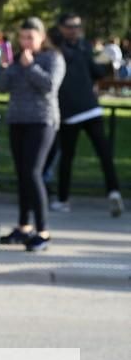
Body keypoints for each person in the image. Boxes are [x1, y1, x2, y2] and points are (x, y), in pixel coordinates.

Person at [0, 17, 66, 252]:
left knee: (33, 172)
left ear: (41, 37)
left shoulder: (53, 58)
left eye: (30, 37)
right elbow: (1, 86)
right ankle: (23, 226)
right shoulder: (16, 59)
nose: (25, 42)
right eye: (22, 37)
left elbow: (49, 86)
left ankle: (43, 231)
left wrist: (31, 67)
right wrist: (4, 67)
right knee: (22, 174)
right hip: (18, 120)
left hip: (42, 121)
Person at [49, 14, 123, 217]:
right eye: (70, 26)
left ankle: (113, 192)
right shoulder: (58, 49)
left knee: (104, 154)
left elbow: (96, 72)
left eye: (77, 26)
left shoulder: (84, 47)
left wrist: (108, 61)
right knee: (68, 157)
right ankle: (63, 198)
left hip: (89, 108)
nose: (75, 29)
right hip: (69, 112)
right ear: (62, 28)